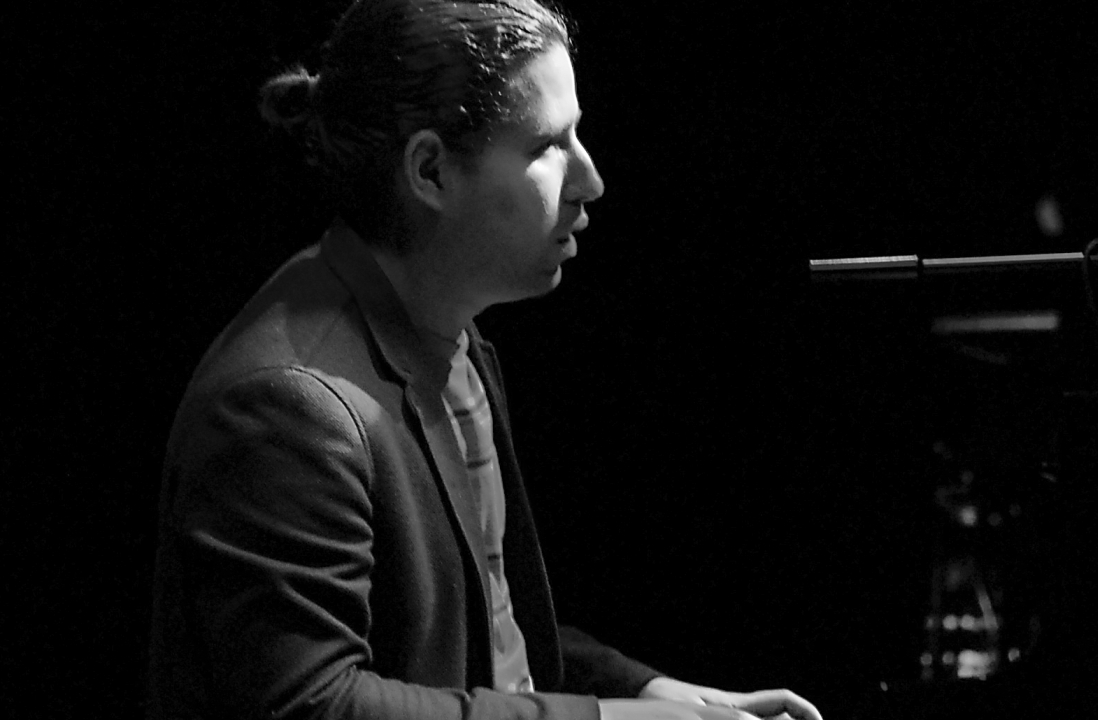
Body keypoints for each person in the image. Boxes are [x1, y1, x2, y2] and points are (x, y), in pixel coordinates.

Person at [146, 1, 822, 719]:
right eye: (548, 145)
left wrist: (642, 691)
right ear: (430, 170)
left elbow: (483, 629)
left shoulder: (452, 341)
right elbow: (311, 705)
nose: (590, 179)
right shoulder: (287, 407)